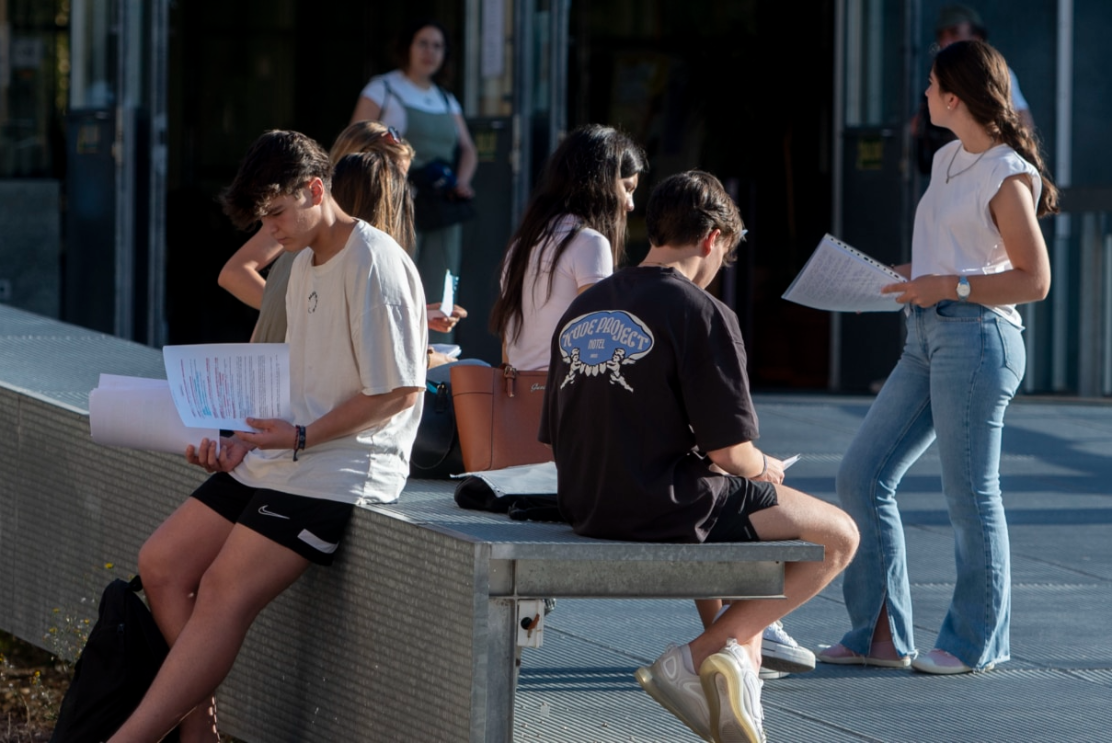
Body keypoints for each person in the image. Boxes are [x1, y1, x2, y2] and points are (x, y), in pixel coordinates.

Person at [107, 130, 427, 743]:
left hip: (343, 466)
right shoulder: (304, 260)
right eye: (263, 218)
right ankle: (199, 734)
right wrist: (237, 439)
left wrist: (300, 435)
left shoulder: (375, 260)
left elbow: (400, 392)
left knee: (225, 587)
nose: (271, 230)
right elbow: (290, 379)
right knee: (162, 564)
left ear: (315, 189)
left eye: (276, 213)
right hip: (282, 452)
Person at [540, 170, 859, 742]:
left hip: (584, 503)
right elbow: (733, 454)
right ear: (712, 238)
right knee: (836, 536)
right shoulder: (701, 311)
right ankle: (698, 656)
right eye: (725, 256)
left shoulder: (588, 304)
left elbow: (566, 430)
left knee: (740, 532)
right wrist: (768, 469)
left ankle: (737, 680)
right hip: (659, 506)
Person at [818, 40, 1057, 675]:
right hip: (926, 334)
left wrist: (947, 286)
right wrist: (908, 276)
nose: (922, 95)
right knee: (859, 476)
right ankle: (880, 637)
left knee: (970, 495)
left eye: (929, 85)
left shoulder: (1007, 172)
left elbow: (1035, 281)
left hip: (979, 340)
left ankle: (975, 643)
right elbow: (957, 255)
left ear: (955, 97)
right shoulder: (947, 156)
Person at [216, 120, 464, 346]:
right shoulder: (298, 222)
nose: (400, 193)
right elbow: (234, 273)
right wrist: (294, 308)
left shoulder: (349, 239)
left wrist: (403, 312)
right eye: (394, 177)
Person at [350, 19, 478, 329]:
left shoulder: (446, 99)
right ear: (407, 47)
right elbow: (353, 141)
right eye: (423, 43)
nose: (430, 52)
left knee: (442, 282)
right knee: (398, 278)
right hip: (396, 202)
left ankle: (437, 362)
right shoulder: (384, 88)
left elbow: (469, 150)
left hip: (440, 206)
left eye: (437, 46)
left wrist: (461, 181)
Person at [490, 124, 647, 371]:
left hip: (520, 395)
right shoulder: (590, 243)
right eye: (627, 188)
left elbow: (508, 347)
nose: (630, 205)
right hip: (564, 396)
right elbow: (598, 344)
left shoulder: (522, 245)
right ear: (602, 182)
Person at [914, 4, 1035, 175]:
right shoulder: (941, 76)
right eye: (942, 36)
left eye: (955, 33)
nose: (946, 42)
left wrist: (1006, 160)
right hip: (950, 169)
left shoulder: (992, 74)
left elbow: (1024, 122)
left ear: (976, 38)